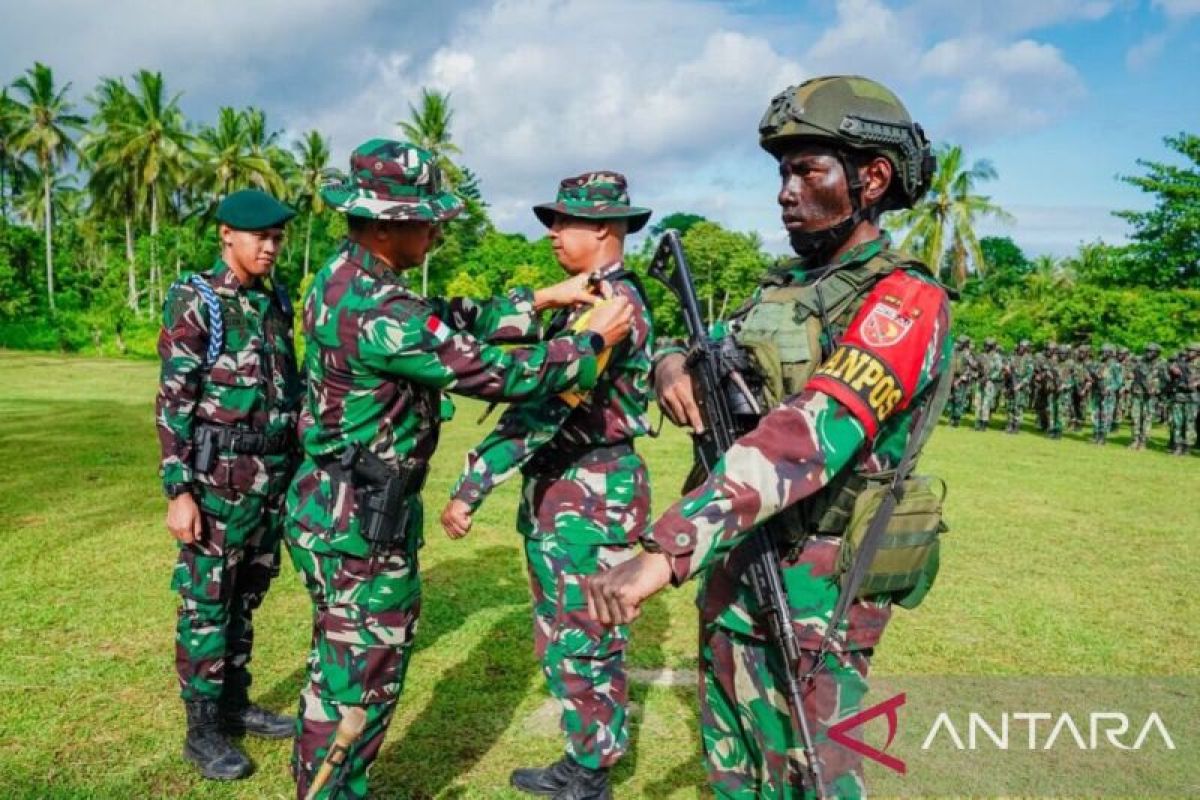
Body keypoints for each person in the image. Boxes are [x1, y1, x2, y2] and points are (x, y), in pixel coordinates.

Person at [586, 75, 951, 799]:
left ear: (870, 178)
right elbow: (697, 355)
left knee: (813, 777)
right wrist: (670, 366)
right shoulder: (776, 292)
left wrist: (669, 546)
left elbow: (809, 432)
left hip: (816, 594)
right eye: (782, 172)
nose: (786, 191)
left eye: (808, 170)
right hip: (737, 572)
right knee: (735, 771)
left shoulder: (907, 300)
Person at [285, 139, 635, 800]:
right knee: (358, 681)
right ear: (390, 223)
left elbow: (450, 319)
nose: (437, 228)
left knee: (335, 667)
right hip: (359, 522)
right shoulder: (384, 312)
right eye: (427, 217)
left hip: (326, 508)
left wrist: (538, 299)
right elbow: (494, 371)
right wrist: (590, 342)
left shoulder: (343, 279)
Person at [441, 171, 655, 799]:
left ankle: (591, 775)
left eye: (566, 222)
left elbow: (545, 405)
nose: (555, 234)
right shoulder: (584, 298)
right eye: (553, 222)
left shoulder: (612, 308)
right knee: (562, 633)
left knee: (587, 638)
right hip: (564, 492)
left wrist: (471, 484)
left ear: (606, 229)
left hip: (592, 494)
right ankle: (580, 755)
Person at [156, 189, 302, 780]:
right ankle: (204, 729)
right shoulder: (199, 300)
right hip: (216, 485)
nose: (269, 247)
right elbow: (173, 401)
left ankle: (237, 705)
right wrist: (179, 491)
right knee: (206, 605)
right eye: (258, 236)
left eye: (276, 237)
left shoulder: (274, 301)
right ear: (227, 235)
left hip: (268, 483)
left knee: (246, 598)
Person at [1129, 342, 1165, 450]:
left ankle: (1143, 441)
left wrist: (1156, 389)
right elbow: (1130, 373)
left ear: (1157, 353)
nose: (1148, 353)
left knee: (1147, 418)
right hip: (1137, 393)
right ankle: (1135, 440)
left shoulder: (1161, 364)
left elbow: (1165, 381)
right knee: (1135, 417)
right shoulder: (1139, 361)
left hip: (1150, 396)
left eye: (1151, 351)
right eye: (1147, 350)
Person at [1005, 340, 1034, 434]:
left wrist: (1020, 385)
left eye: (1023, 347)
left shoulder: (1029, 359)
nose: (1021, 348)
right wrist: (1007, 369)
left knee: (1018, 406)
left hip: (1021, 386)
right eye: (1020, 346)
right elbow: (1007, 367)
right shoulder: (1013, 357)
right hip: (1011, 384)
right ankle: (1009, 424)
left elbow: (1029, 375)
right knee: (1010, 405)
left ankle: (1016, 425)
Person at [974, 337, 1003, 431]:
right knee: (978, 402)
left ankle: (984, 422)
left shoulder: (996, 356)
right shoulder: (982, 355)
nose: (985, 347)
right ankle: (977, 421)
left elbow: (998, 369)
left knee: (986, 403)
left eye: (987, 345)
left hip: (989, 382)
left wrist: (990, 378)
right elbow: (976, 366)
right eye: (985, 345)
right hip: (980, 380)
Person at [948, 336, 974, 427]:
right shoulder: (954, 352)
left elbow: (971, 368)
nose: (958, 344)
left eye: (960, 343)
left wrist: (959, 380)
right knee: (952, 399)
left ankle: (956, 419)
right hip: (952, 378)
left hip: (962, 380)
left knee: (959, 400)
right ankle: (951, 417)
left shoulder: (967, 354)